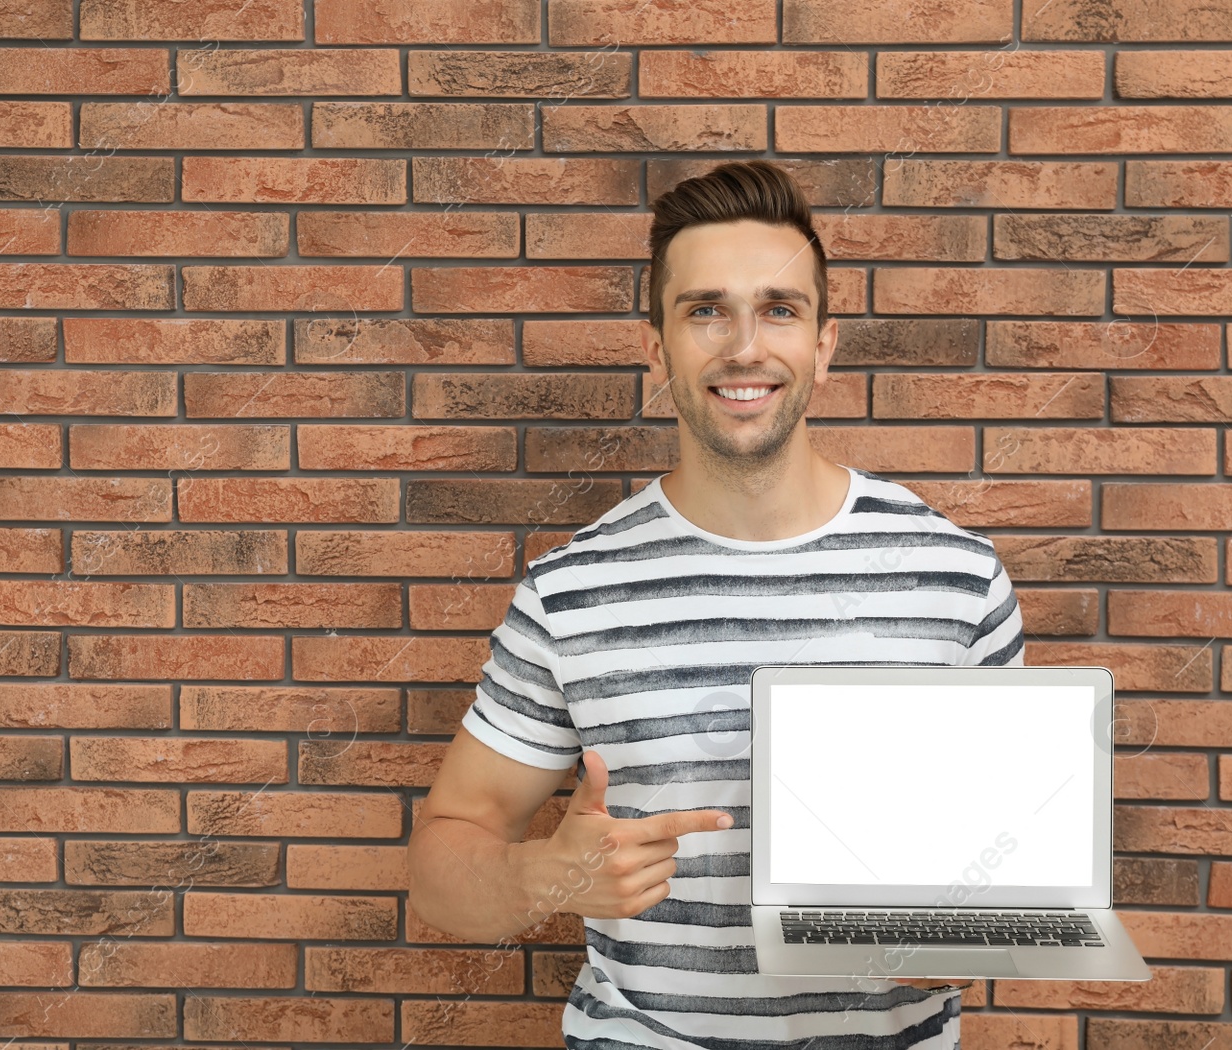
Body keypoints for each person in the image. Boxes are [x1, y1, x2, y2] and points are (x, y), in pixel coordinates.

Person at [407, 159, 1025, 1050]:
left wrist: (973, 924)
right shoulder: (570, 590)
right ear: (656, 346)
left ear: (825, 342)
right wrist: (544, 877)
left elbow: (1004, 854)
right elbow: (440, 864)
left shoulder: (954, 576)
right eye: (705, 310)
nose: (745, 347)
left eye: (780, 308)